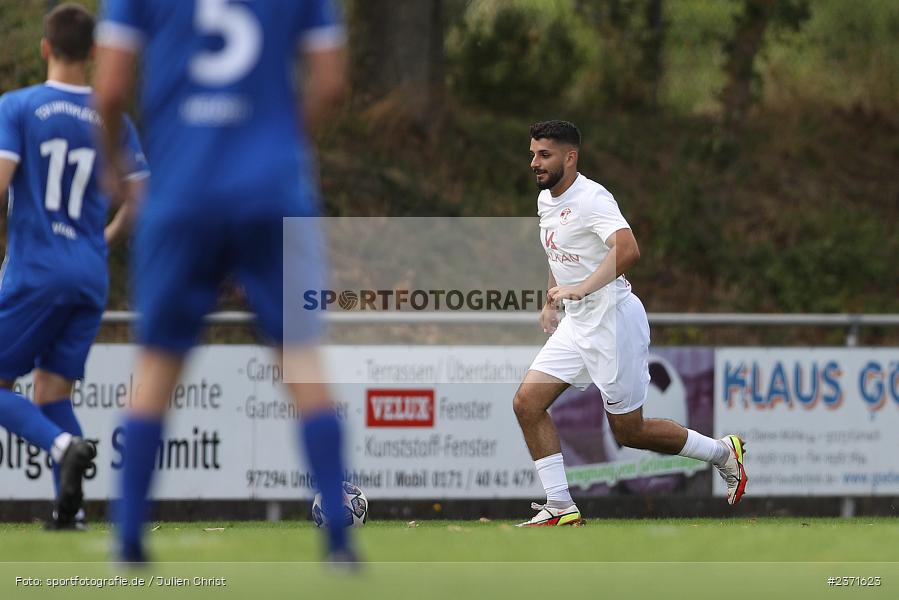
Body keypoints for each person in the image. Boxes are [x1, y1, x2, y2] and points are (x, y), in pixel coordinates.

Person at [93, 0, 351, 562]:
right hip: (272, 193)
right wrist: (280, 145)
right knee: (300, 356)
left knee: (158, 361)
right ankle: (338, 536)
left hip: (181, 190)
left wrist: (114, 165)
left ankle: (129, 536)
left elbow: (110, 90)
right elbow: (331, 84)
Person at [514, 120, 747, 526]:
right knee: (527, 403)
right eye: (533, 154)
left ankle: (723, 453)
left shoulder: (592, 198)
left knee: (629, 431)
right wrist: (552, 300)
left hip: (613, 320)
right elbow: (560, 253)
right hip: (577, 322)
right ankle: (560, 505)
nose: (535, 162)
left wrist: (582, 288)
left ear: (570, 157)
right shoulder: (546, 200)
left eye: (544, 154)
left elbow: (628, 248)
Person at [0, 3, 147, 529]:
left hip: (37, 269)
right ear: (92, 53)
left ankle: (63, 446)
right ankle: (73, 510)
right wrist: (102, 240)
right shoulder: (114, 117)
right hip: (89, 274)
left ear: (45, 48)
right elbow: (138, 198)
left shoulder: (18, 107)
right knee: (52, 391)